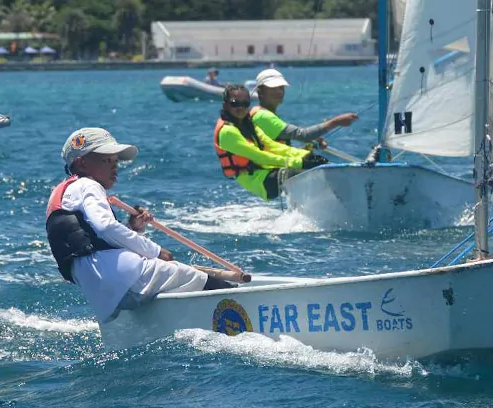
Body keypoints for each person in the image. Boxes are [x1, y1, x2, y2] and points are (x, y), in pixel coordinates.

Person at [45, 127, 235, 323]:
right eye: (107, 160)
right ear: (82, 163)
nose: (114, 166)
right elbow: (105, 227)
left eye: (116, 160)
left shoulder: (63, 192)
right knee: (203, 280)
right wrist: (155, 250)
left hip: (100, 288)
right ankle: (242, 309)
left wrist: (134, 228)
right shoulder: (89, 185)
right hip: (121, 276)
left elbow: (95, 238)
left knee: (173, 282)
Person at [213, 85, 329, 200]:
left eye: (245, 104)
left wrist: (304, 155)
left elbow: (273, 146)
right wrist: (300, 163)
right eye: (235, 103)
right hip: (259, 181)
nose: (241, 107)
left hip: (267, 169)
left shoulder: (248, 124)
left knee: (314, 167)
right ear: (225, 105)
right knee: (305, 173)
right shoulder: (227, 132)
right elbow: (259, 156)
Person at [250, 69, 359, 147]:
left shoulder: (263, 114)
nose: (279, 92)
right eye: (273, 88)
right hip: (267, 176)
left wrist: (312, 145)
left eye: (281, 88)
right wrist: (336, 122)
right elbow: (303, 135)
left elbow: (284, 148)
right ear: (261, 92)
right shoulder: (263, 116)